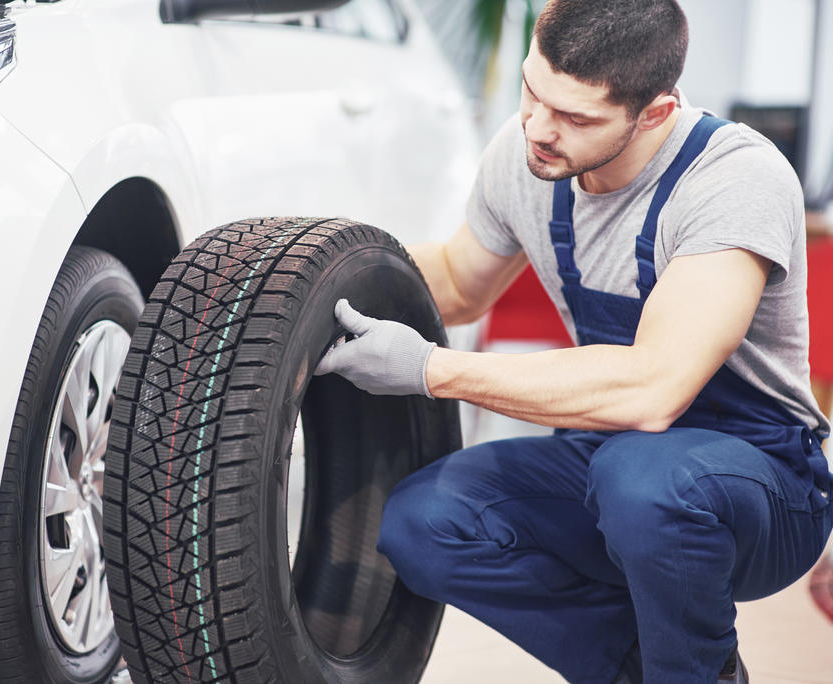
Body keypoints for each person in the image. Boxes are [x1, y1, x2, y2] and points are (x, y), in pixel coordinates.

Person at [315, 0, 833, 682]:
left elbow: (654, 390)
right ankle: (650, 667)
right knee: (424, 521)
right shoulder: (527, 153)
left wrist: (430, 368)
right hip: (608, 461)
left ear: (656, 112)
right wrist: (312, 282)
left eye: (576, 118)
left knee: (644, 481)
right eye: (533, 90)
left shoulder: (733, 179)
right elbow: (456, 280)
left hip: (762, 487)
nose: (537, 128)